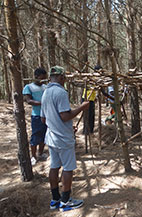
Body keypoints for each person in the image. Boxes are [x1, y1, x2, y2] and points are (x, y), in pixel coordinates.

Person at [40, 66, 89, 212]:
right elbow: (65, 115)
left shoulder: (46, 93)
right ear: (61, 77)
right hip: (63, 139)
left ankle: (55, 199)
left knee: (54, 166)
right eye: (65, 78)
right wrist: (82, 107)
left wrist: (66, 126)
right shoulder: (60, 92)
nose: (65, 80)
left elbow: (44, 119)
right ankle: (66, 200)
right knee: (68, 168)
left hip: (51, 137)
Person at [23, 68, 48, 166]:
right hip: (36, 115)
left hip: (46, 115)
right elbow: (29, 100)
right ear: (36, 76)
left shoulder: (46, 87)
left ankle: (40, 153)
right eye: (42, 77)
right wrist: (42, 103)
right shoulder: (29, 87)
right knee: (35, 135)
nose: (43, 79)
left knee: (44, 135)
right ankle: (33, 156)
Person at [81, 65, 100, 134]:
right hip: (87, 99)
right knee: (87, 116)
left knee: (91, 116)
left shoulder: (96, 79)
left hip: (91, 99)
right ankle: (86, 132)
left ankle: (90, 131)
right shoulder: (92, 78)